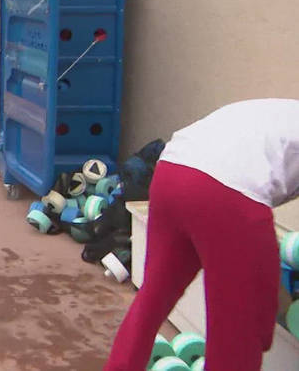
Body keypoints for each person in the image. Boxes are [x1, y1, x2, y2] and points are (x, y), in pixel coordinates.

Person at [104, 99, 299, 371]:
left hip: (172, 171)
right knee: (238, 330)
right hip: (228, 193)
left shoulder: (283, 112)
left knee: (152, 298)